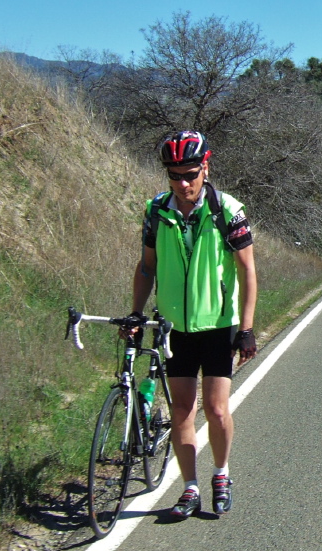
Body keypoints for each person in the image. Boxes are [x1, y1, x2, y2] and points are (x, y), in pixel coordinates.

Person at [130, 130, 258, 519]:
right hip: (175, 328)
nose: (183, 183)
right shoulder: (157, 210)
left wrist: (247, 327)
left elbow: (247, 269)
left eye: (190, 173)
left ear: (206, 166)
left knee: (216, 410)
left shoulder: (227, 210)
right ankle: (189, 488)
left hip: (218, 325)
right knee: (183, 410)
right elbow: (147, 266)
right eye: (174, 175)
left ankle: (221, 474)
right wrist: (137, 313)